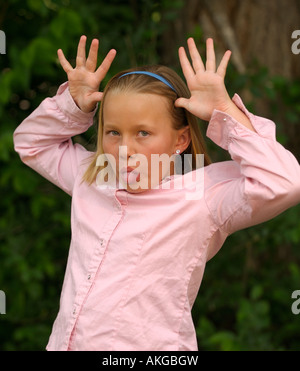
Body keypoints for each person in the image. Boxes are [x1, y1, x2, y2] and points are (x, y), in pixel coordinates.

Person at [13, 35, 300, 351]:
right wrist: (73, 104)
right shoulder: (94, 177)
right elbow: (30, 142)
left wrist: (224, 110)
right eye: (113, 132)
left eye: (143, 133)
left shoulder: (198, 196)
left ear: (180, 141)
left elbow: (284, 182)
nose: (124, 149)